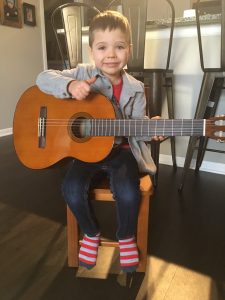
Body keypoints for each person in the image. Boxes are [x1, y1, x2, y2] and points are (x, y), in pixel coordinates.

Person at [36, 10, 161, 273]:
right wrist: (69, 86)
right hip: (85, 152)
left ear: (130, 49)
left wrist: (152, 130)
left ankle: (126, 236)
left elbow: (137, 127)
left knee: (128, 191)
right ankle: (91, 233)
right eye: (102, 47)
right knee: (70, 189)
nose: (111, 54)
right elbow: (42, 78)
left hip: (121, 151)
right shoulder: (82, 73)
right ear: (91, 50)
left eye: (119, 47)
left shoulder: (136, 88)